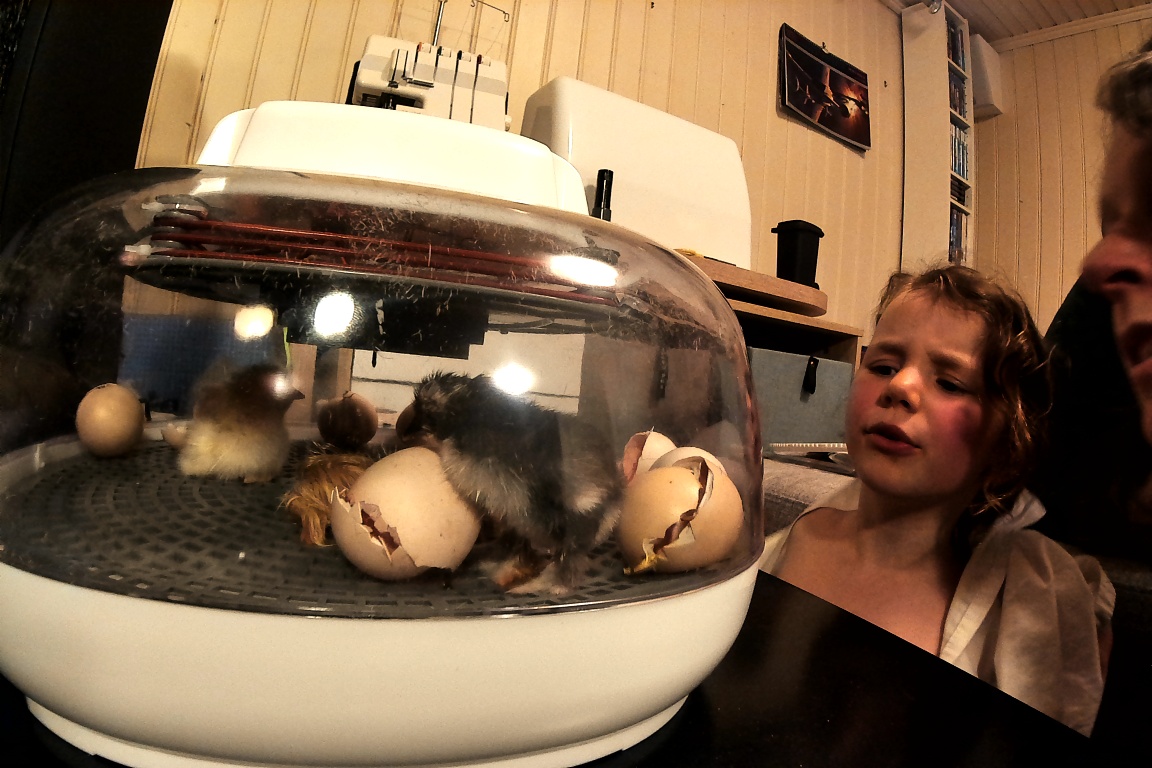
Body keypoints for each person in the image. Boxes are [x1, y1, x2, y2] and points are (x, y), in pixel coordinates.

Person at [760, 265, 1115, 737]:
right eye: (883, 366)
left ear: (1006, 445)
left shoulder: (1027, 603)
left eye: (949, 383)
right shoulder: (799, 536)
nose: (900, 386)